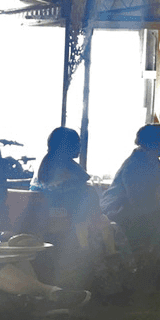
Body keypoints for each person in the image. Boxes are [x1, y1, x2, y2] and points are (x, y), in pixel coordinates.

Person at [29, 127, 128, 296]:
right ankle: (114, 280)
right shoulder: (73, 175)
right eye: (77, 143)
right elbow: (88, 208)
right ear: (67, 147)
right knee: (112, 228)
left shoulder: (43, 170)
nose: (80, 147)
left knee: (104, 224)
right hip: (72, 226)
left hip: (45, 226)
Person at [100, 124, 160, 289]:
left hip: (137, 210)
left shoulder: (148, 160)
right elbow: (137, 200)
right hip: (121, 212)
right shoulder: (135, 164)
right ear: (153, 142)